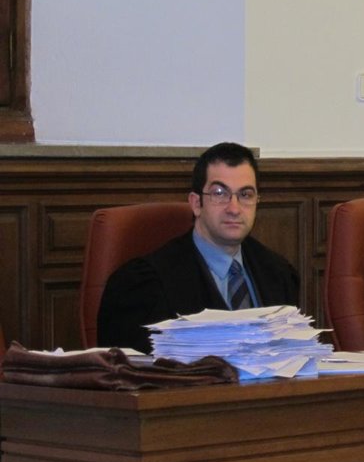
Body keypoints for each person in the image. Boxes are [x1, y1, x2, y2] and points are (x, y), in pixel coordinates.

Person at [97, 142, 300, 352]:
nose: (234, 208)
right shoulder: (144, 285)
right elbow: (131, 367)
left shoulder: (279, 274)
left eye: (245, 195)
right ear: (196, 204)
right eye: (219, 193)